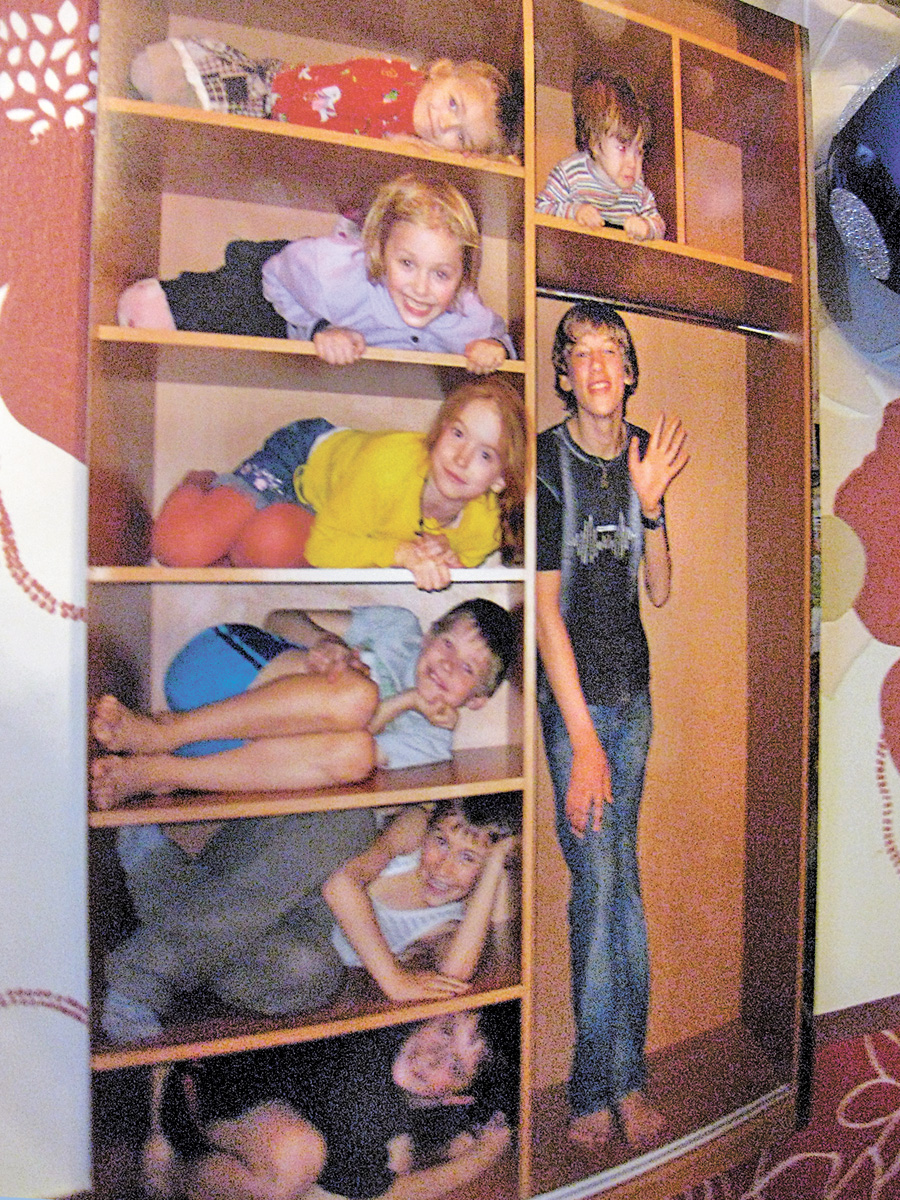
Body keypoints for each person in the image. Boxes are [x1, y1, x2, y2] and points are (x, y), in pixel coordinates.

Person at [93, 600, 518, 1043]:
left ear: (477, 699)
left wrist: (495, 863)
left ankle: (159, 876)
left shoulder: (429, 748)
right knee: (350, 807)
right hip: (235, 706)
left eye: (466, 669)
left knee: (312, 975)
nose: (446, 666)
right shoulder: (398, 631)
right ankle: (141, 974)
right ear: (429, 635)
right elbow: (278, 618)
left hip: (246, 802)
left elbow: (345, 749)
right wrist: (325, 644)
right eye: (446, 645)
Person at [535, 300, 688, 1151]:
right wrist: (584, 742)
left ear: (629, 370)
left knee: (621, 885)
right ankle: (598, 1086)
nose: (597, 367)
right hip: (579, 711)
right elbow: (545, 615)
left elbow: (657, 588)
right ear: (563, 373)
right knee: (597, 889)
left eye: (611, 352)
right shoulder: (544, 461)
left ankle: (626, 1078)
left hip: (636, 696)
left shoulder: (640, 454)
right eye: (580, 353)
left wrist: (652, 505)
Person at [117, 173, 515, 373]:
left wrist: (495, 349)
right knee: (236, 301)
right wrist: (320, 328)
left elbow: (499, 338)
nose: (421, 289)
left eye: (441, 274)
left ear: (463, 277)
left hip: (313, 295)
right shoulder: (336, 276)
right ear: (380, 252)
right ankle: (170, 294)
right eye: (407, 264)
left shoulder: (464, 312)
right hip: (283, 282)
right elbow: (275, 275)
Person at [150, 376, 527, 580]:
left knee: (263, 545)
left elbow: (461, 563)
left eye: (485, 454)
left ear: (500, 479)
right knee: (176, 550)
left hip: (328, 520)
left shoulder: (487, 526)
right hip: (302, 466)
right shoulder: (389, 464)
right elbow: (323, 549)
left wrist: (444, 558)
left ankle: (233, 541)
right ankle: (201, 483)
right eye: (458, 434)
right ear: (438, 432)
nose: (461, 458)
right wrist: (401, 553)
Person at [143, 1010, 514, 1200]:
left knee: (389, 1158)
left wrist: (449, 1147)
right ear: (428, 1020)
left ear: (457, 1095)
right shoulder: (367, 1088)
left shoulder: (421, 1096)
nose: (433, 1056)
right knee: (297, 1160)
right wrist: (481, 1158)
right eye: (445, 1031)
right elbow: (386, 1195)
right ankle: (173, 1167)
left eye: (455, 1067)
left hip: (263, 1105)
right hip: (201, 1087)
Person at [129, 37, 522, 159]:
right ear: (441, 73)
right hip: (267, 84)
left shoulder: (408, 146)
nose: (444, 123)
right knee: (158, 68)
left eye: (461, 136)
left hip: (266, 116)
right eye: (454, 104)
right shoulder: (402, 77)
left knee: (166, 89)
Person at [324, 795, 520, 1003]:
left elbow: (453, 976)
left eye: (467, 858)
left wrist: (496, 863)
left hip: (317, 961)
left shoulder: (448, 922)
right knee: (355, 820)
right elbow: (340, 885)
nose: (443, 869)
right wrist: (395, 981)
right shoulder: (415, 829)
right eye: (442, 842)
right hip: (309, 897)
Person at [535, 69, 665, 242]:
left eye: (639, 152)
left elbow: (659, 225)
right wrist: (575, 211)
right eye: (622, 148)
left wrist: (646, 226)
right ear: (594, 143)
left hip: (616, 253)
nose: (632, 163)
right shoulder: (571, 173)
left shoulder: (638, 189)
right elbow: (540, 208)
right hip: (572, 247)